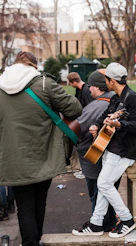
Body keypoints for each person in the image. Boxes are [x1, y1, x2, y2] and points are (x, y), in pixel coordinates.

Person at [0, 51, 82, 246]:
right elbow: (75, 109)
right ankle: (35, 240)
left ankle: (30, 242)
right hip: (44, 152)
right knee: (40, 199)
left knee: (24, 204)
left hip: (13, 156)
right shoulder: (44, 83)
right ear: (34, 66)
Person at [72, 62, 136, 238]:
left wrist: (119, 124)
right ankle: (96, 223)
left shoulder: (132, 98)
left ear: (111, 81)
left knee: (103, 184)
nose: (104, 82)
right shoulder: (117, 97)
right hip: (113, 146)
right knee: (104, 184)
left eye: (106, 79)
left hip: (126, 149)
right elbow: (105, 114)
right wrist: (95, 125)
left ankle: (127, 219)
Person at [76, 68, 120, 231]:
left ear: (98, 87)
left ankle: (99, 224)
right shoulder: (117, 100)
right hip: (112, 156)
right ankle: (107, 223)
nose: (89, 89)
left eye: (92, 86)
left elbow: (77, 128)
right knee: (109, 190)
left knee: (97, 193)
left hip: (94, 156)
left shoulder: (96, 105)